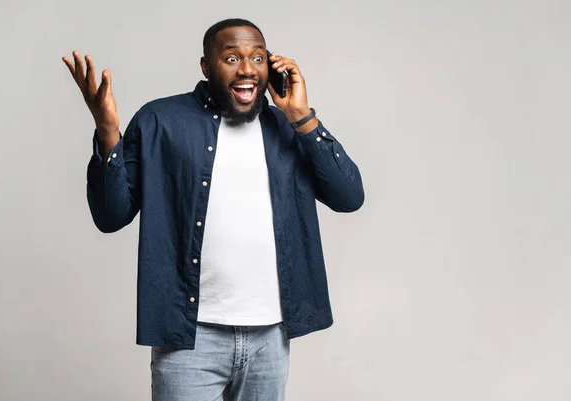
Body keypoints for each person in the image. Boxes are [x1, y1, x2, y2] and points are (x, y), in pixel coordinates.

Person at [63, 17, 364, 401]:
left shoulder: (287, 128)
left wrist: (301, 115)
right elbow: (110, 216)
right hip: (190, 338)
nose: (247, 70)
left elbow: (349, 197)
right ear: (206, 67)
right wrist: (107, 131)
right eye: (232, 58)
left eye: (257, 58)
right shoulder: (161, 121)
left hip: (270, 336)